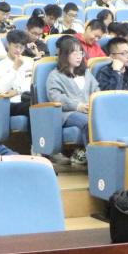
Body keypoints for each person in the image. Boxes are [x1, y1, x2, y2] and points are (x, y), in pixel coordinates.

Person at [46, 37, 100, 166]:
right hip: (68, 113)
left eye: (81, 53)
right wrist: (77, 106)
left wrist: (94, 104)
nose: (79, 56)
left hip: (90, 110)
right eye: (74, 53)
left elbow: (97, 90)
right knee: (89, 123)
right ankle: (96, 162)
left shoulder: (86, 73)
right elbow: (55, 97)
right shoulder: (55, 75)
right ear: (65, 55)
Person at [0, 30, 34, 115]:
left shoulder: (29, 62)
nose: (18, 50)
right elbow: (2, 89)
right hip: (11, 103)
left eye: (21, 47)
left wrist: (17, 91)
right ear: (8, 45)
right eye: (16, 46)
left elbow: (31, 84)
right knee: (32, 107)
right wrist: (15, 68)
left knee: (39, 105)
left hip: (28, 98)